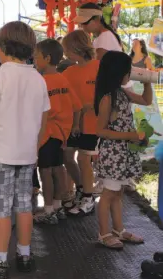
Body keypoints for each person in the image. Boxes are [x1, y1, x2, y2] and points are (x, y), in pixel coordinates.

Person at [0, 21, 50, 279]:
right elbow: (44, 119)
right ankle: (25, 255)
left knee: (1, 209)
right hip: (27, 154)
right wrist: (34, 145)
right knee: (25, 206)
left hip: (2, 154)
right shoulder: (38, 78)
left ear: (2, 49)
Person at [94, 51, 152, 249]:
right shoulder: (107, 98)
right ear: (119, 72)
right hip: (113, 154)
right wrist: (131, 136)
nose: (130, 73)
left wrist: (147, 82)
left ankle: (119, 229)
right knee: (109, 193)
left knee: (118, 193)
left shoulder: (122, 92)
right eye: (128, 70)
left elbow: (146, 101)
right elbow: (101, 130)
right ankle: (104, 233)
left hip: (123, 153)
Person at [33, 39, 82, 224]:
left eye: (37, 57)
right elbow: (77, 106)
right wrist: (75, 125)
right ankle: (58, 205)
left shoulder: (42, 82)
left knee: (45, 172)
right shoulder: (63, 79)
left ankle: (47, 209)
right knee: (58, 169)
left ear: (46, 58)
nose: (35, 60)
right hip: (62, 134)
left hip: (47, 133)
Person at [61, 30, 100, 216]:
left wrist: (91, 105)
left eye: (67, 49)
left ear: (77, 47)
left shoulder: (99, 67)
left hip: (93, 124)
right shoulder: (69, 71)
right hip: (73, 123)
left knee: (84, 159)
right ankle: (82, 188)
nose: (66, 54)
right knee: (68, 157)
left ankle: (88, 196)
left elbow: (109, 94)